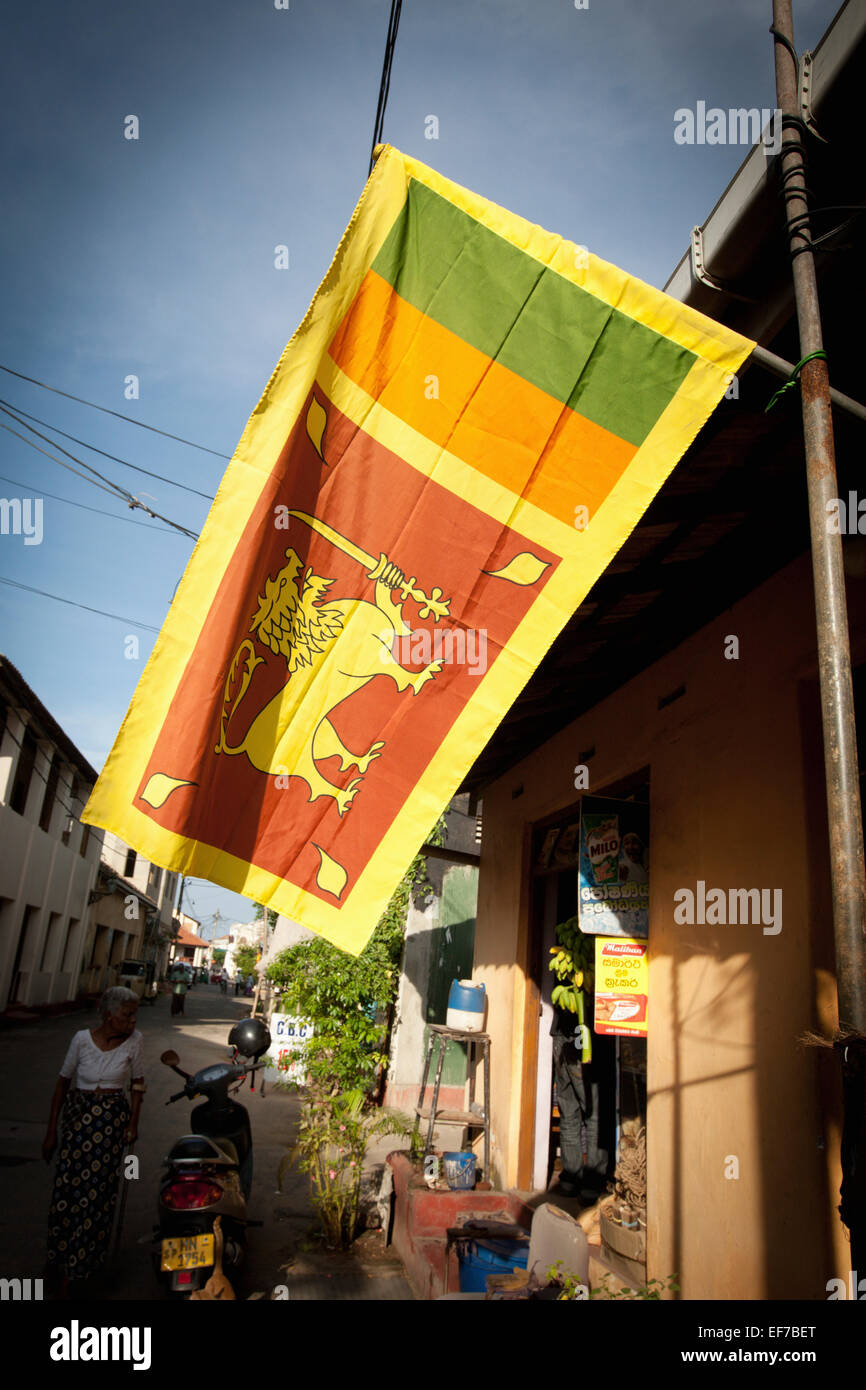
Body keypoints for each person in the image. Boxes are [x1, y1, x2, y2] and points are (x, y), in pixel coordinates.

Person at [42, 986, 144, 1296]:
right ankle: (59, 1263)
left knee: (98, 1194)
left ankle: (84, 1266)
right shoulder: (81, 1040)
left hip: (110, 1123)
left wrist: (133, 1125)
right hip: (77, 1120)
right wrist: (51, 1133)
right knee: (68, 1191)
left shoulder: (135, 1041)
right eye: (127, 1016)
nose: (132, 1021)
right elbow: (62, 1084)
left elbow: (138, 1085)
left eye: (134, 1015)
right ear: (109, 1016)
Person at [550, 1001, 615, 1202]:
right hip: (582, 1038)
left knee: (569, 1114)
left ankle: (570, 1180)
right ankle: (592, 1184)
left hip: (562, 1037)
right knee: (593, 1115)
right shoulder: (586, 975)